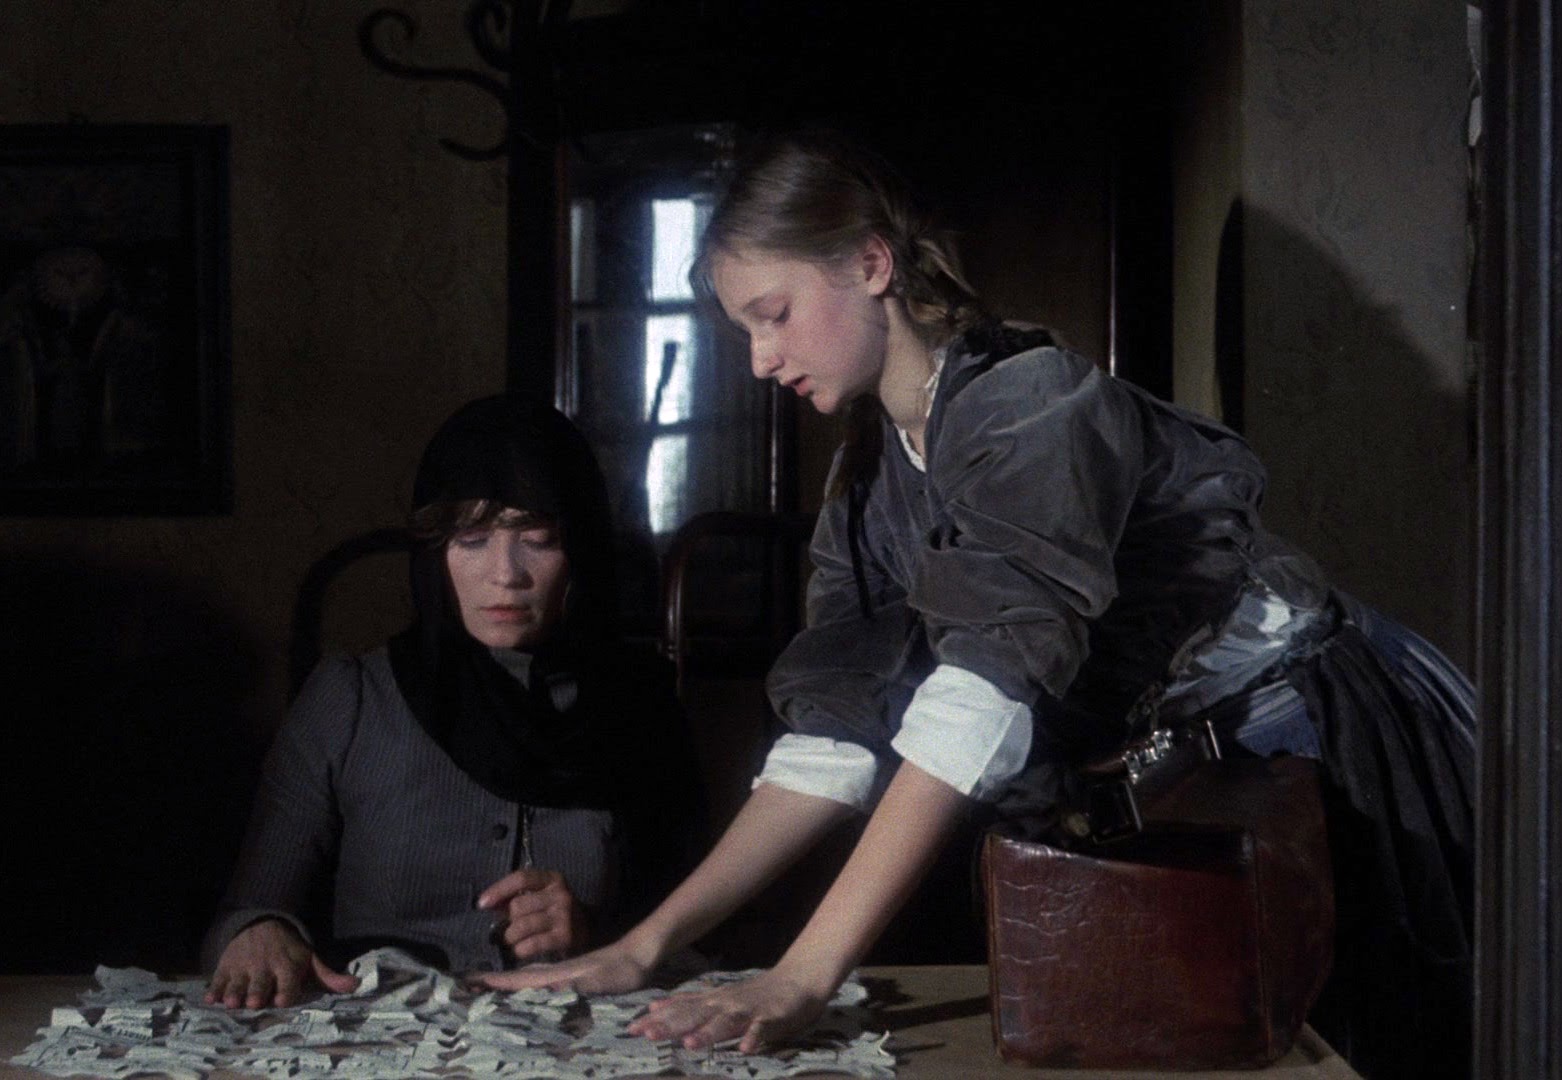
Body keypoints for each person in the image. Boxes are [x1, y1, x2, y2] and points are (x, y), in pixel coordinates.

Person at [478, 133, 1476, 1079]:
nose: (759, 360)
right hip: (1176, 771)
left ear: (872, 264)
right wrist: (647, 943)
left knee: (1361, 1047)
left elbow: (979, 700)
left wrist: (805, 973)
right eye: (743, 331)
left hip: (1308, 743)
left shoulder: (1027, 405)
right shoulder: (865, 486)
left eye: (772, 314)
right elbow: (832, 740)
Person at [203, 395, 704, 1008]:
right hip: (378, 1034)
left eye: (538, 539)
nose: (506, 574)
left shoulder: (640, 707)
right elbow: (251, 906)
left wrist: (600, 934)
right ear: (433, 553)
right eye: (471, 540)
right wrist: (258, 933)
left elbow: (704, 935)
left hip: (577, 1034)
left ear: (582, 549)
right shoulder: (352, 699)